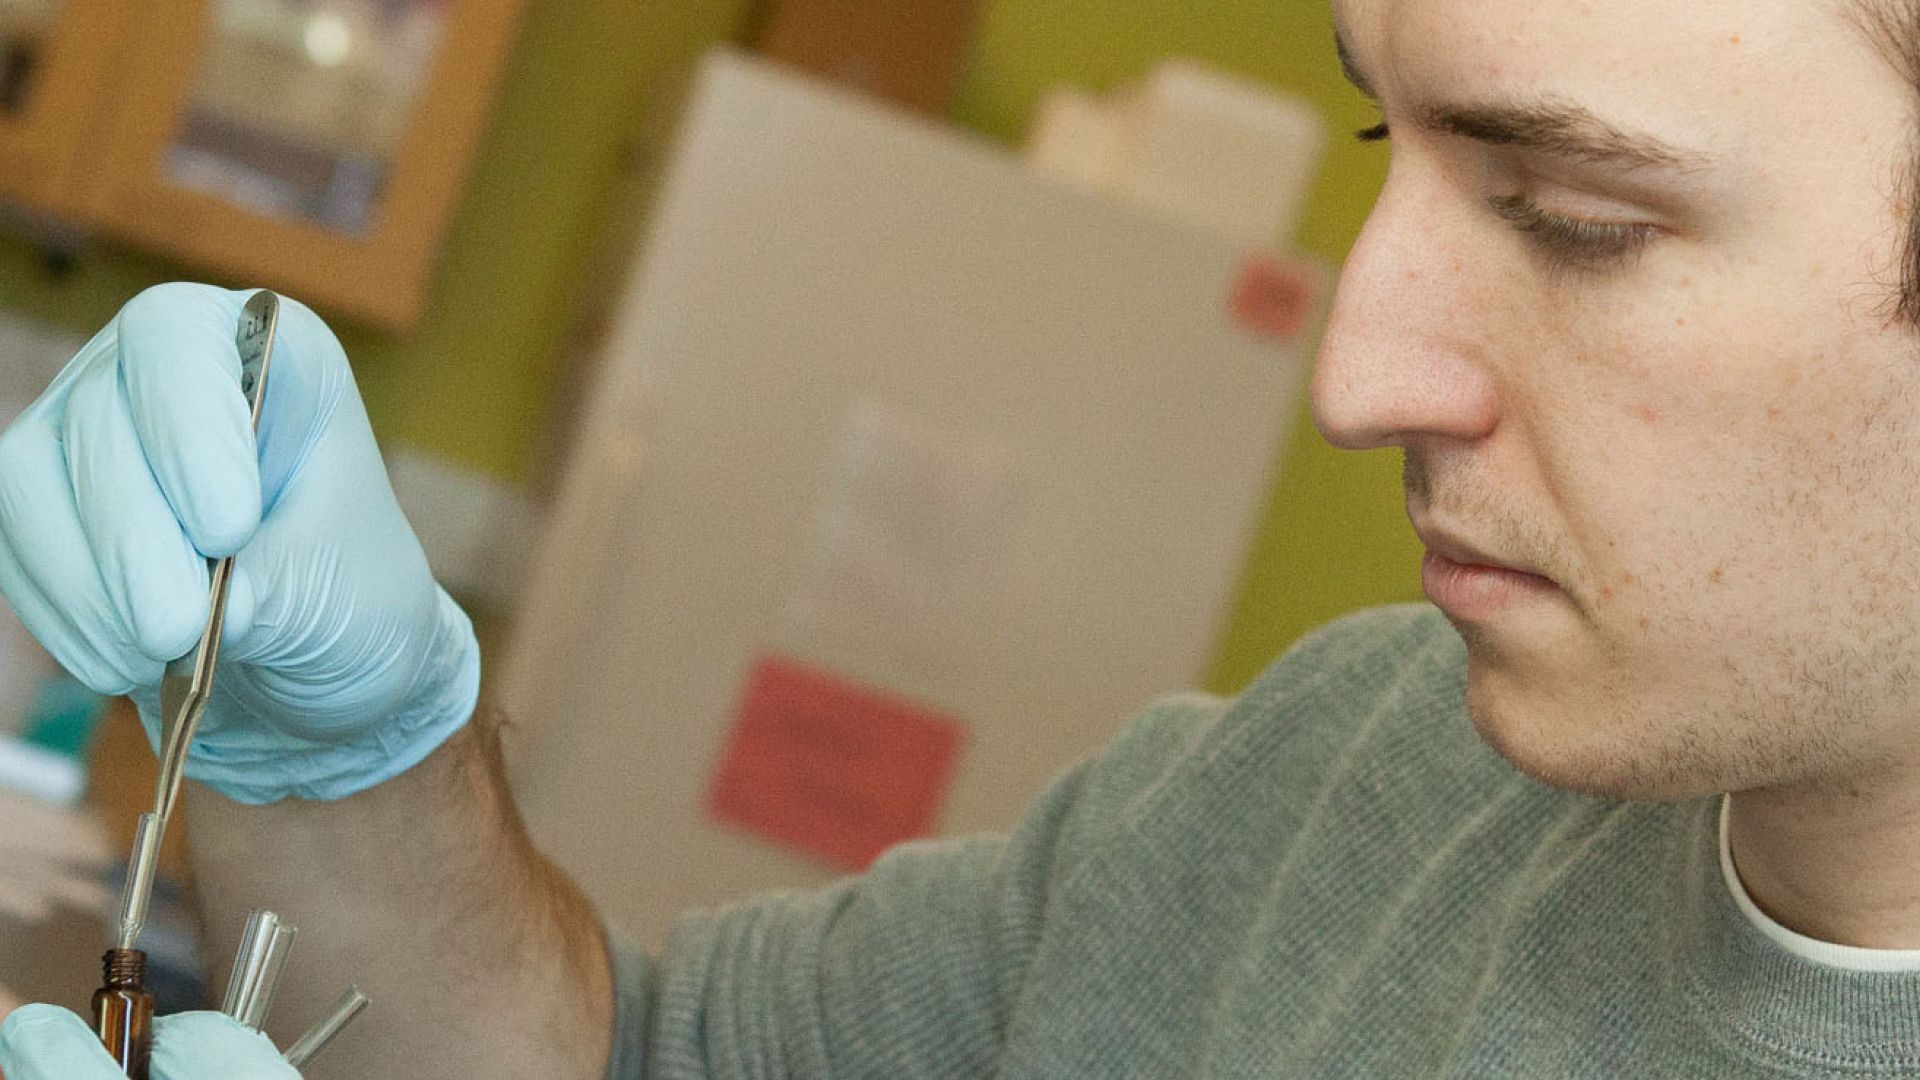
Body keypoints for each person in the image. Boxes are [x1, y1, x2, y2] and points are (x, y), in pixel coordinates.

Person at [6, 0, 1920, 1074]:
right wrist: (346, 766)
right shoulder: (1359, 771)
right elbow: (623, 1059)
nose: (1354, 376)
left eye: (1579, 217)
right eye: (1384, 149)